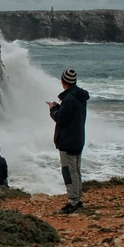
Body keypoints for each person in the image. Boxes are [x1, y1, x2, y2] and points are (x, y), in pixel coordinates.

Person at [48, 68, 90, 214]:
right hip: (78, 138)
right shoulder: (79, 97)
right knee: (76, 171)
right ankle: (77, 198)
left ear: (63, 82)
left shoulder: (69, 99)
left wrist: (53, 109)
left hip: (68, 141)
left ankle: (73, 202)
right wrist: (60, 107)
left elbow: (61, 119)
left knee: (69, 172)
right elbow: (70, 115)